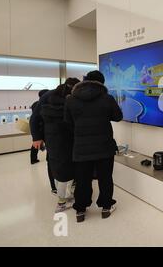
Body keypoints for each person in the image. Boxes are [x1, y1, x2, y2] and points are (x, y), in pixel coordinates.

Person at [65, 70, 123, 222]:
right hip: (104, 146)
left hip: (81, 148)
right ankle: (106, 207)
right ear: (102, 83)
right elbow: (118, 117)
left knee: (82, 179)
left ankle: (80, 210)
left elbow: (68, 123)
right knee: (105, 178)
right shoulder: (107, 98)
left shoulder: (71, 99)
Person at [40, 78, 80, 212]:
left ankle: (62, 197)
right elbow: (71, 127)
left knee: (57, 171)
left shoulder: (46, 108)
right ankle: (62, 202)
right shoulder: (65, 109)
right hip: (65, 143)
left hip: (52, 143)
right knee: (65, 174)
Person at [30, 89, 57, 195]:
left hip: (43, 135)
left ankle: (54, 186)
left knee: (50, 159)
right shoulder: (43, 105)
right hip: (46, 135)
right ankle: (54, 186)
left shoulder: (36, 104)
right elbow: (35, 120)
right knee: (51, 159)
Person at [30, 89, 49, 165]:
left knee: (36, 144)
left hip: (38, 128)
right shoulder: (44, 104)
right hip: (43, 128)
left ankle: (33, 159)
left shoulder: (35, 104)